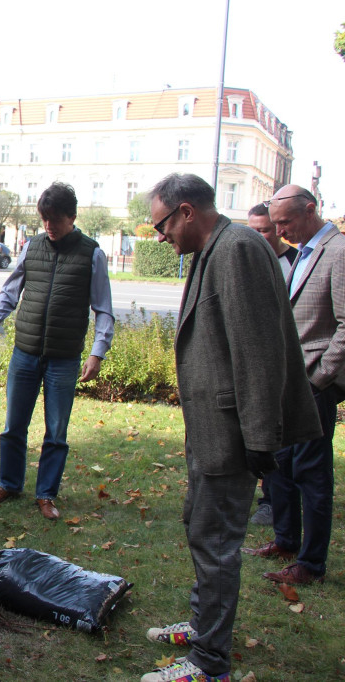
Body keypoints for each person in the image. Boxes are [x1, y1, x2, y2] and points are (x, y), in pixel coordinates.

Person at [140, 174, 320, 682]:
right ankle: (203, 628)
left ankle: (208, 663)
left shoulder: (237, 249)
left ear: (187, 211)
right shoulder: (213, 247)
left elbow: (259, 351)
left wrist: (262, 439)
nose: (160, 236)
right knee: (202, 529)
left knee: (216, 543)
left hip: (234, 433)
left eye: (162, 225)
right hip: (211, 428)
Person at [0, 182, 114, 520]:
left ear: (72, 217)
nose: (49, 226)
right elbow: (9, 292)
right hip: (25, 352)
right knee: (13, 426)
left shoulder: (92, 253)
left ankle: (46, 495)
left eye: (55, 219)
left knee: (56, 432)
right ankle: (9, 484)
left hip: (64, 358)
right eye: (44, 219)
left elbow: (104, 308)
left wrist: (98, 352)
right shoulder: (31, 247)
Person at [243, 185, 345, 586]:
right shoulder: (302, 252)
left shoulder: (337, 252)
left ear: (311, 210)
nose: (280, 230)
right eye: (276, 223)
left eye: (285, 222)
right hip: (287, 381)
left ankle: (312, 563)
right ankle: (286, 540)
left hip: (313, 385)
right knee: (281, 466)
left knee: (312, 474)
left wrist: (320, 379)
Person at [245, 202, 298, 526]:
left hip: (287, 360)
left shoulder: (294, 262)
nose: (259, 237)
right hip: (255, 357)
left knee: (284, 440)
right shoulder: (245, 260)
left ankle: (276, 503)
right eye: (253, 231)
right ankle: (269, 500)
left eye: (264, 230)